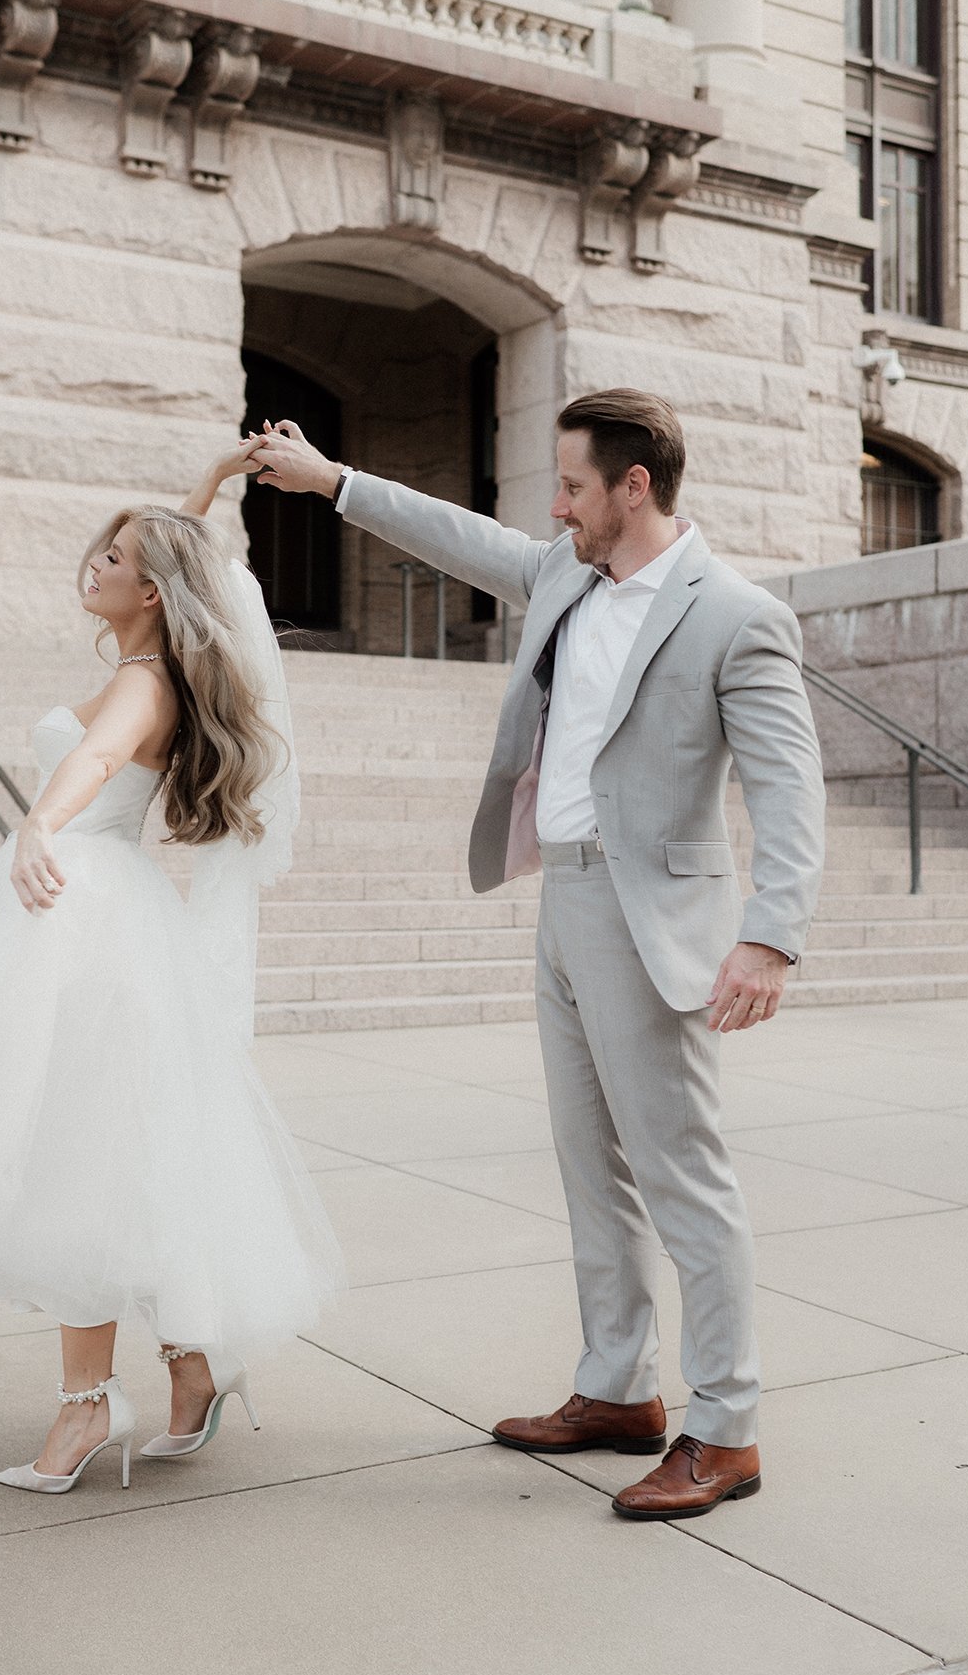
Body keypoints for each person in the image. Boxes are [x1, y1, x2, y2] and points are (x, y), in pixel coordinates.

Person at [249, 390, 825, 1521]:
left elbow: (786, 785)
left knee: (681, 1175)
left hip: (651, 912)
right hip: (561, 896)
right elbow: (467, 539)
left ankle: (726, 1426)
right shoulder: (567, 570)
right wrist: (332, 481)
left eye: (570, 484)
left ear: (634, 486)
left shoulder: (735, 616)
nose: (553, 506)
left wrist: (769, 935)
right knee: (585, 1162)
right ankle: (616, 1390)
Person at [0, 441, 343, 1495]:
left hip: (93, 920)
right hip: (92, 918)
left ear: (149, 589)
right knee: (117, 1147)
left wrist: (38, 821)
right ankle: (190, 1364)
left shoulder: (144, 679)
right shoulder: (150, 647)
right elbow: (176, 556)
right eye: (102, 545)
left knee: (76, 1151)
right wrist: (214, 482)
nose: (97, 559)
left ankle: (89, 1403)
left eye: (117, 554)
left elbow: (90, 759)